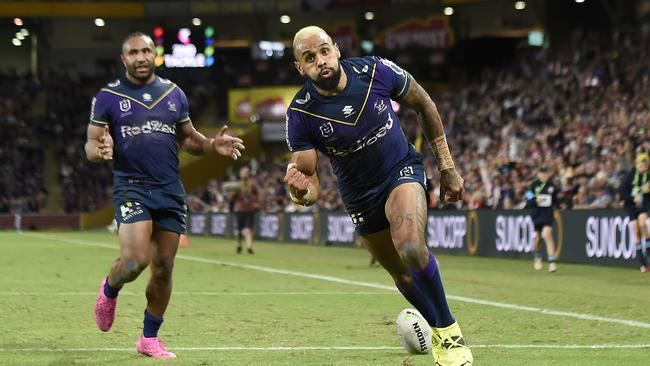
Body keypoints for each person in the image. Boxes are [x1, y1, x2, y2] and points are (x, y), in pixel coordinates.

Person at [283, 26, 472, 366]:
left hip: (400, 170)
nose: (320, 61)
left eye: (324, 51)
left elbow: (424, 103)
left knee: (412, 246)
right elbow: (309, 183)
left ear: (336, 50)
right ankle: (441, 329)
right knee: (400, 273)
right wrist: (300, 194)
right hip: (359, 196)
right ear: (300, 68)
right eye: (309, 58)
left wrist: (447, 167)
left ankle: (449, 331)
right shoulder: (301, 114)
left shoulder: (375, 71)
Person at [85, 32, 244, 359]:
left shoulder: (173, 94)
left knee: (165, 267)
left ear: (154, 54)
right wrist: (99, 150)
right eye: (134, 53)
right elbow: (91, 143)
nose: (141, 57)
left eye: (146, 51)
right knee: (134, 261)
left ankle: (149, 338)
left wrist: (213, 144)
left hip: (170, 189)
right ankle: (109, 289)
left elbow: (189, 140)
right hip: (131, 186)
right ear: (123, 58)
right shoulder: (107, 97)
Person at [619, 153, 650, 272]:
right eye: (640, 165)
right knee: (636, 231)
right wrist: (633, 198)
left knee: (643, 224)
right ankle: (643, 264)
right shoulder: (630, 176)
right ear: (636, 165)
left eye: (644, 165)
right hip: (631, 205)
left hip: (643, 204)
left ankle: (648, 252)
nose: (642, 167)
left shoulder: (648, 176)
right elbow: (622, 190)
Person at [525, 165, 558, 272]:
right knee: (538, 237)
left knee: (548, 234)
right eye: (542, 173)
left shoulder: (552, 186)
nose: (544, 175)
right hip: (537, 214)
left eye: (546, 173)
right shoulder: (532, 186)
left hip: (548, 213)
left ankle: (552, 262)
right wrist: (535, 201)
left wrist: (558, 208)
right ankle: (537, 257)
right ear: (538, 174)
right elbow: (528, 200)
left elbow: (556, 200)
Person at [231, 166, 259, 254]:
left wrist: (256, 203)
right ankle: (239, 244)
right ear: (240, 174)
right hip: (240, 209)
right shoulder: (237, 185)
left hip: (249, 209)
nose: (244, 174)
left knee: (249, 228)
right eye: (243, 173)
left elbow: (257, 194)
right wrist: (234, 193)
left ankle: (249, 247)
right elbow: (231, 197)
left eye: (246, 172)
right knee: (239, 230)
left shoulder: (252, 184)